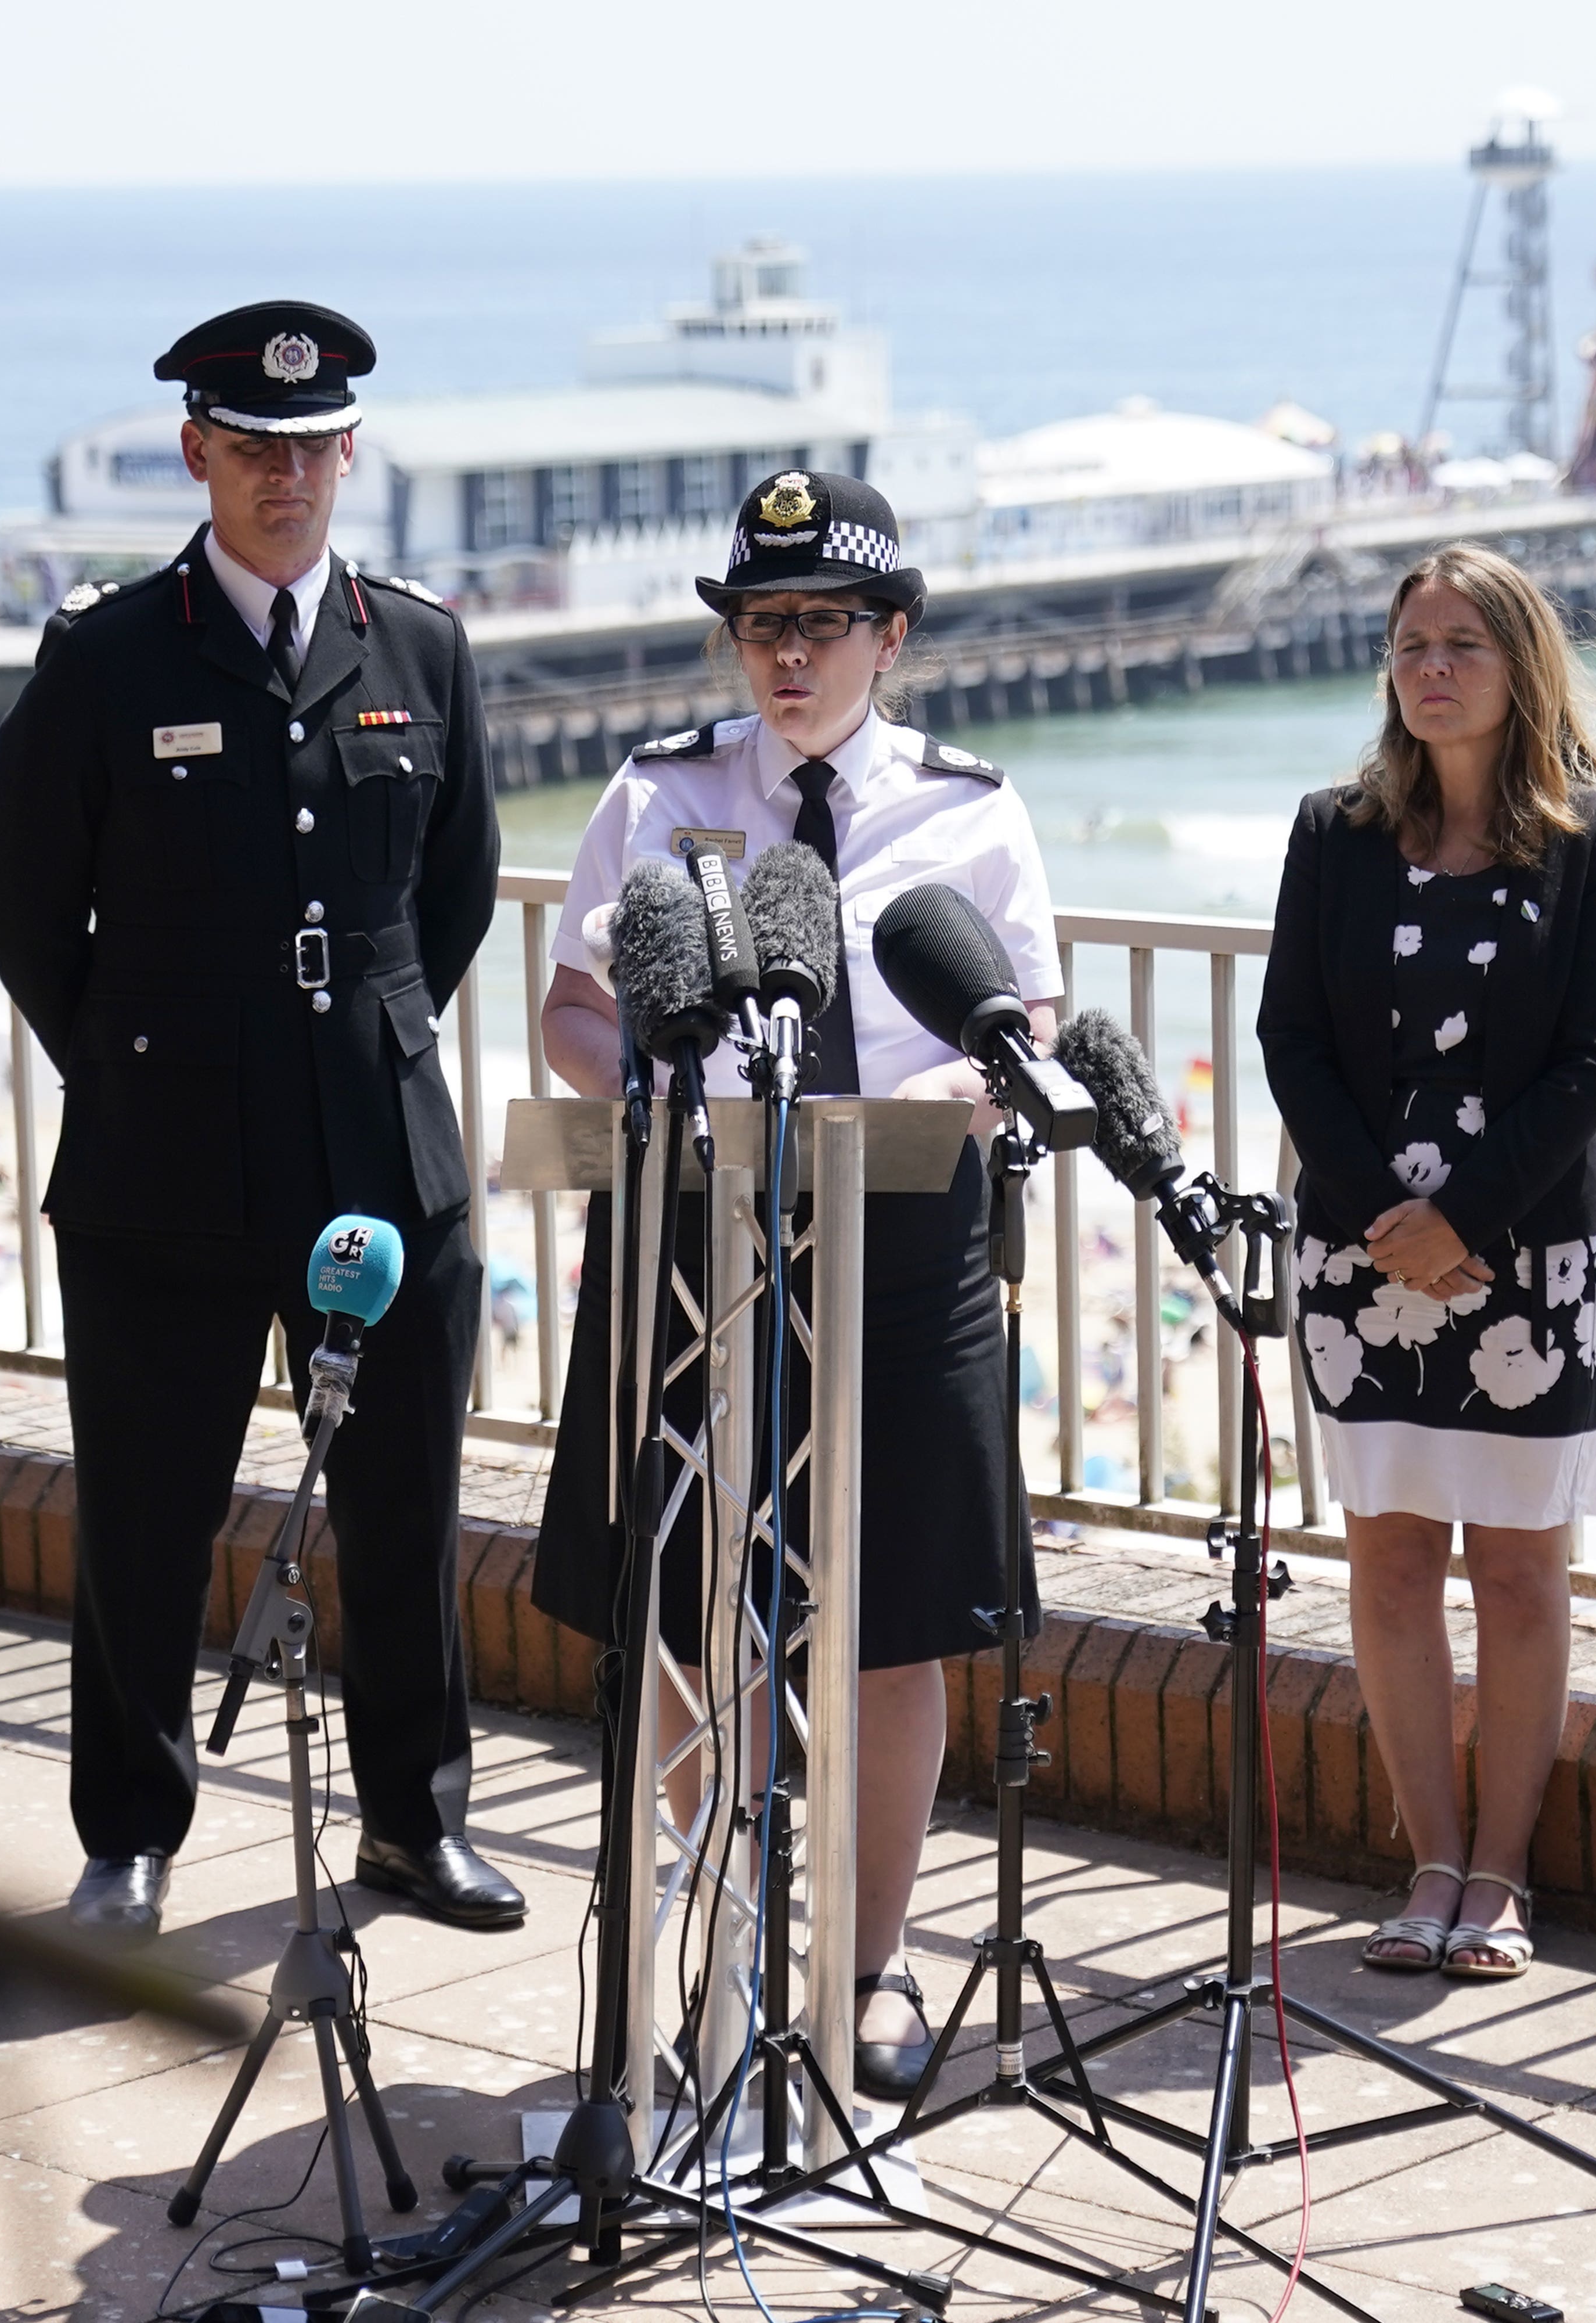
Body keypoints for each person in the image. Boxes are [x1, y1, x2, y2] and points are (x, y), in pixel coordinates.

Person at [0, 300, 525, 1941]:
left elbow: (459, 889)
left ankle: (416, 1828)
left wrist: (358, 1034)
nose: (285, 478)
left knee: (406, 1508)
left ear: (348, 454)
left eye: (312, 449)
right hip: (164, 1163)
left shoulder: (420, 646)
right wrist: (133, 1064)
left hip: (376, 1151)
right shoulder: (107, 655)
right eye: (253, 449)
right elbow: (22, 903)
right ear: (199, 454)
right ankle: (127, 1838)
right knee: (149, 1512)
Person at [526, 469, 1058, 2098]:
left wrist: (953, 1098)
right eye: (762, 625)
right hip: (692, 1237)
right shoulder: (661, 792)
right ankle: (727, 1936)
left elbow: (1016, 1031)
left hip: (899, 1248)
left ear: (888, 637)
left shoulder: (972, 812)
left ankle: (873, 1966)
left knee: (894, 1627)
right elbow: (572, 1006)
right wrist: (652, 1091)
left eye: (822, 624)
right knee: (692, 1613)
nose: (787, 657)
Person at [1259, 541, 1596, 1983]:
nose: (1429, 668)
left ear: (1520, 665)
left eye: (1461, 645)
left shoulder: (1592, 838)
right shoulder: (1334, 831)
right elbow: (1290, 1037)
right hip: (1364, 1258)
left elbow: (1595, 1058)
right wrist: (1386, 1219)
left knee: (1525, 1567)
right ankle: (1428, 1860)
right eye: (1412, 643)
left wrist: (1463, 1222)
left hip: (1527, 1260)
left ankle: (1502, 1868)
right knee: (1391, 1558)